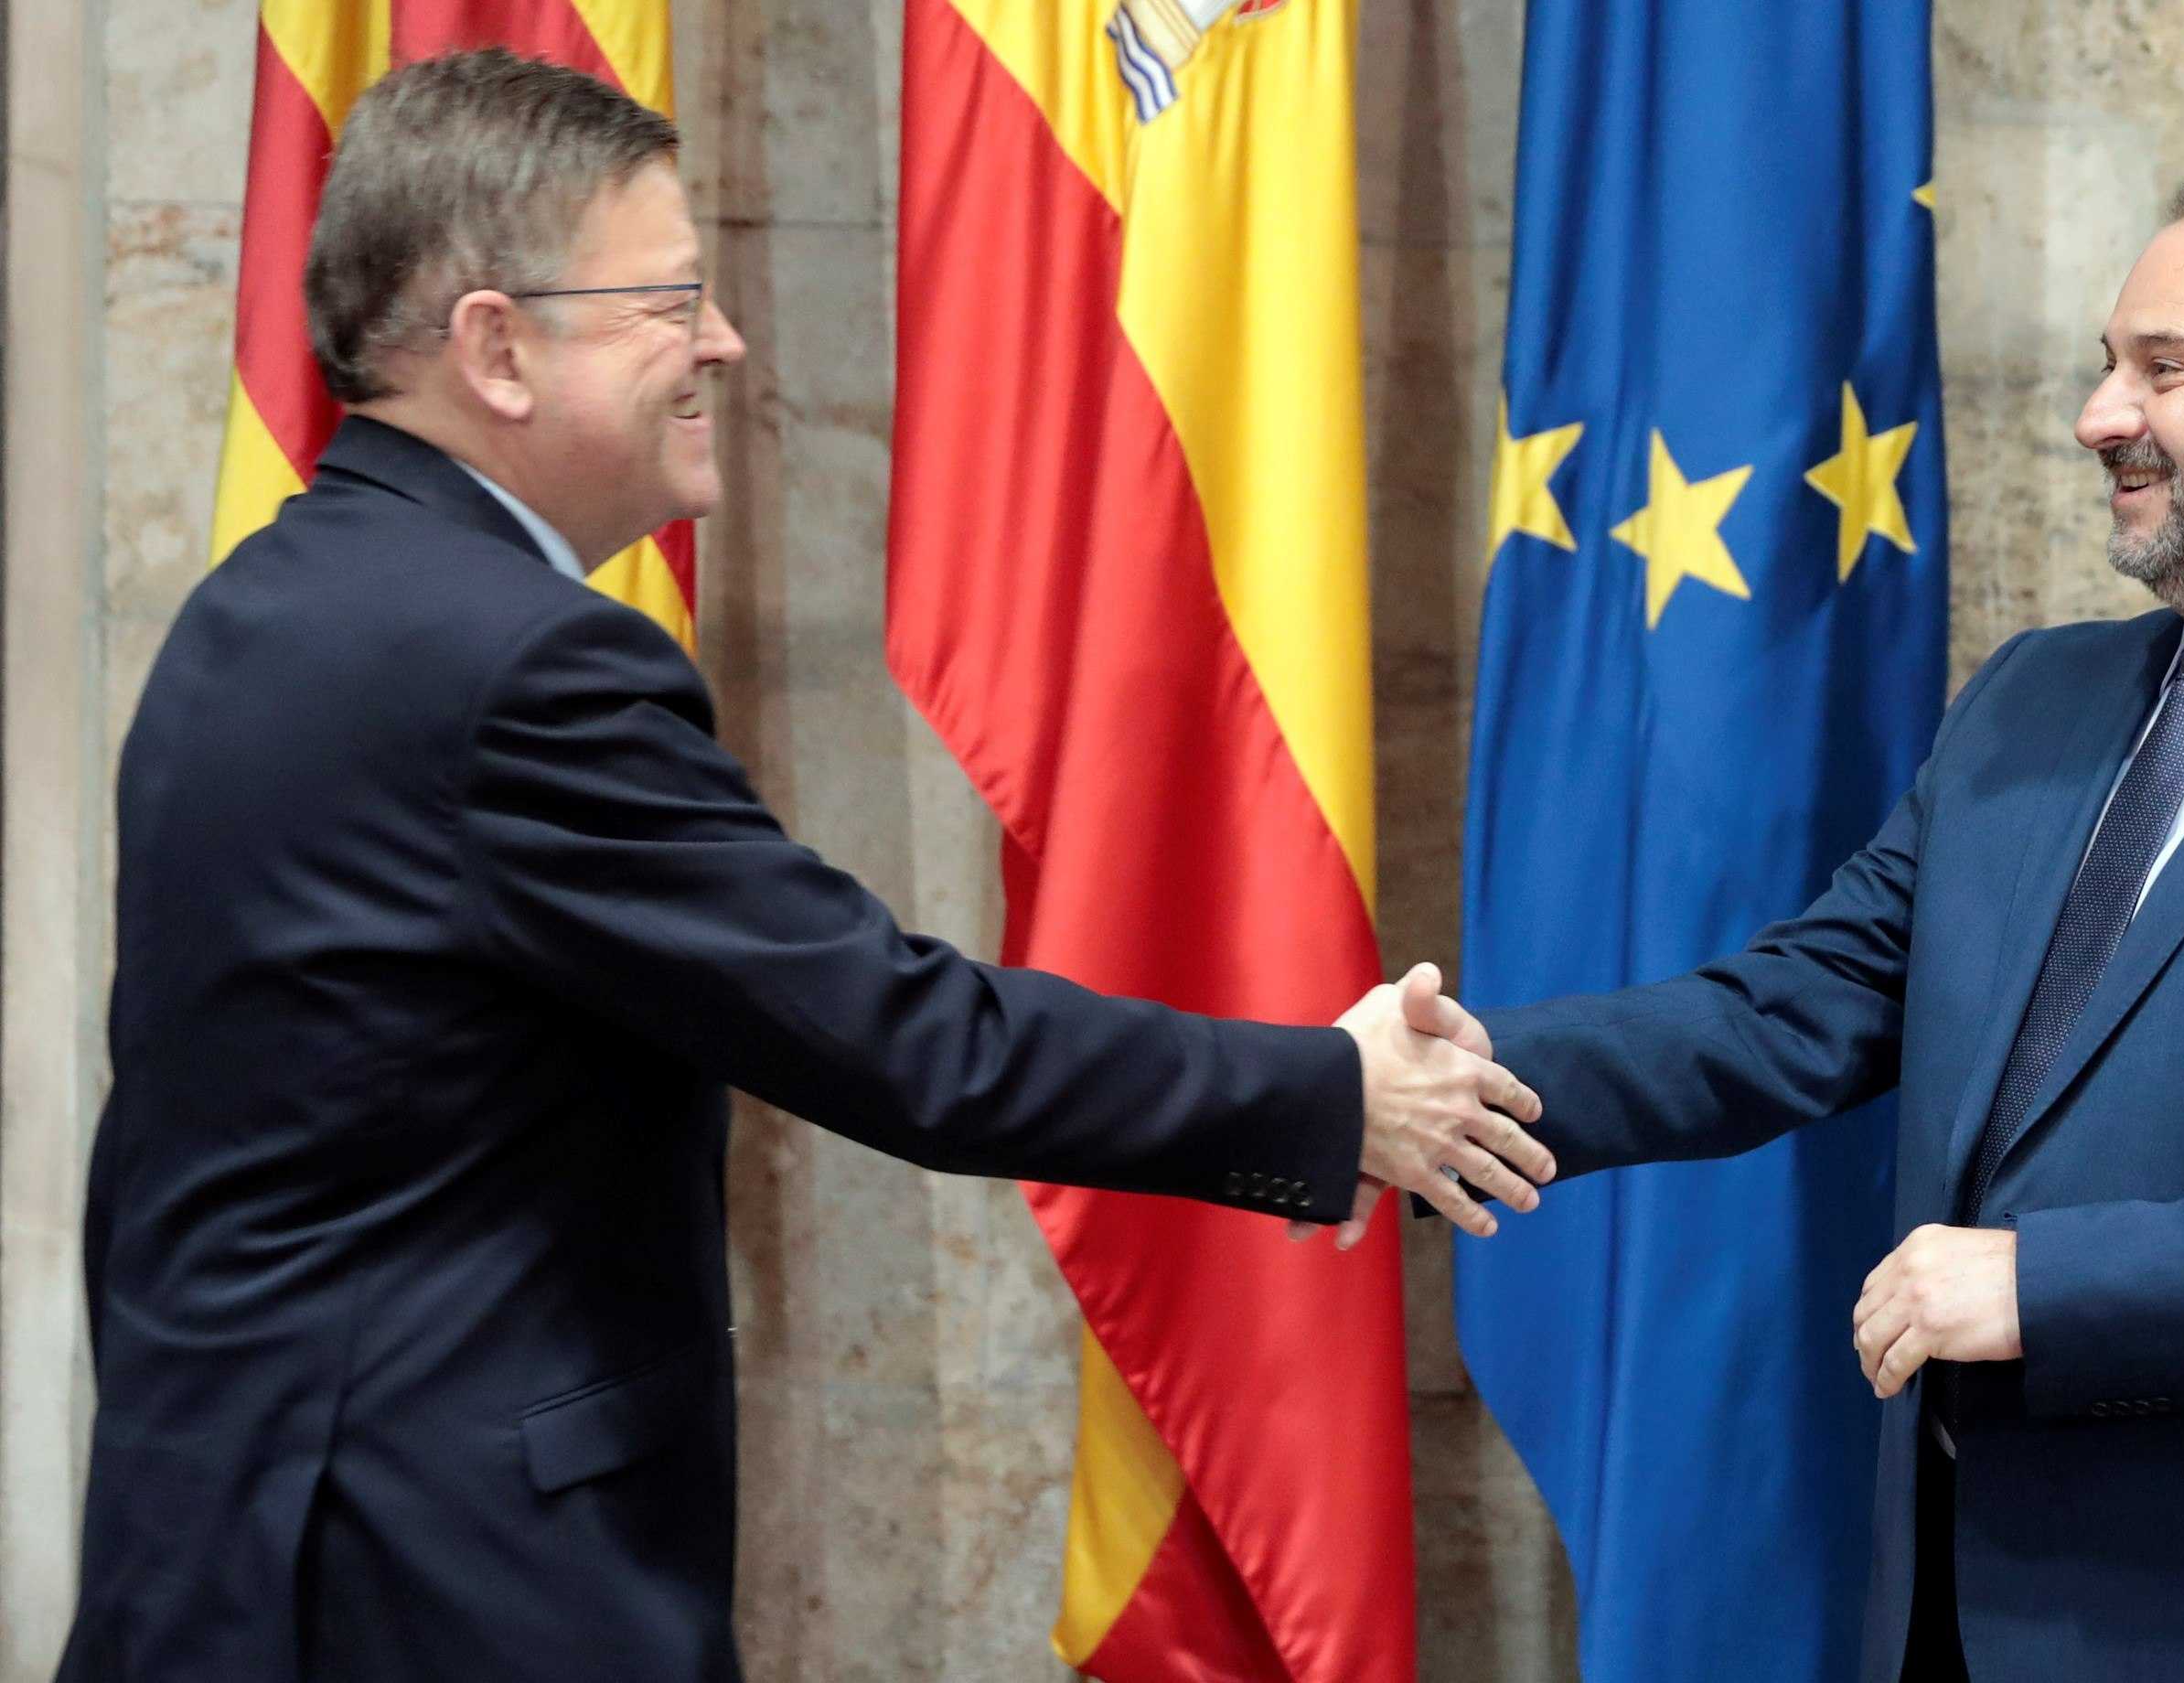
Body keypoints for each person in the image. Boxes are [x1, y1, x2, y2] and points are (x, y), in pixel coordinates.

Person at [59, 49, 1549, 1683]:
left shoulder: (256, 612)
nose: (723, 340)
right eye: (668, 300)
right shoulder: (514, 667)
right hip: (434, 1594)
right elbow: (899, 1036)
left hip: (222, 1561)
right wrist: (1332, 1099)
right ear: (496, 347)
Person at [1410, 172, 2184, 1681]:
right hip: (1957, 1611)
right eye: (2106, 361)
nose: (2098, 414)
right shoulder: (2035, 699)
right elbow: (1790, 1011)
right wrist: (1445, 1087)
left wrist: (2045, 1284)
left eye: (2165, 367)